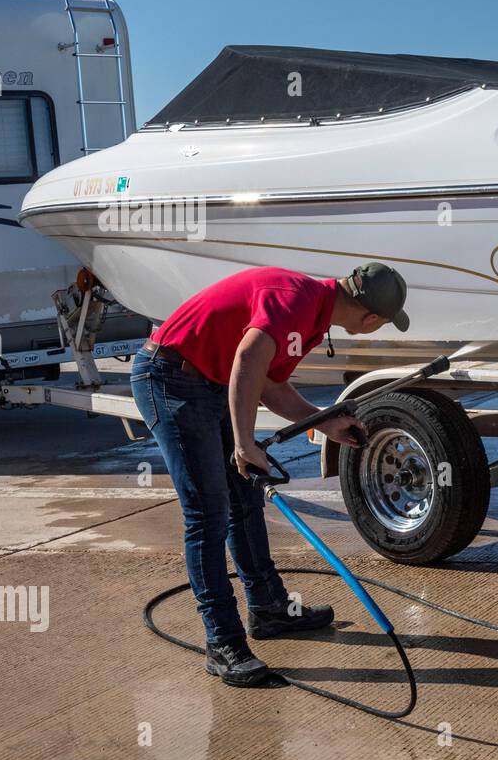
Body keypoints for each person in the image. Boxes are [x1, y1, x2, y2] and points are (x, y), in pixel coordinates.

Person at [131, 262, 410, 686]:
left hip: (205, 380)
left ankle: (268, 608)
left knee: (243, 499)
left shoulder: (314, 313)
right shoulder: (295, 301)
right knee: (207, 513)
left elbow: (268, 383)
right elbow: (247, 358)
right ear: (371, 318)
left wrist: (325, 420)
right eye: (386, 323)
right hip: (170, 378)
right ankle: (223, 643)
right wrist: (245, 444)